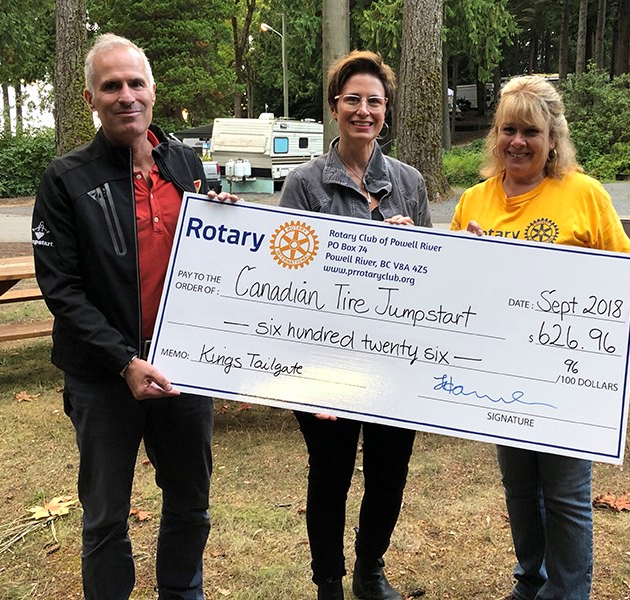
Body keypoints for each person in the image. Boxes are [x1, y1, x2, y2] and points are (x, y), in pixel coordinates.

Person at [32, 33, 237, 599]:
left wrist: (231, 228)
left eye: (135, 83)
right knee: (105, 518)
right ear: (91, 99)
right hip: (103, 377)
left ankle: (181, 593)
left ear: (153, 91)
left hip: (182, 369)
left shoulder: (185, 163)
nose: (126, 95)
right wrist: (123, 361)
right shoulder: (66, 179)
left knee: (191, 503)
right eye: (111, 86)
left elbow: (215, 262)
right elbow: (62, 288)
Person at [450, 75, 630, 600]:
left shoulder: (583, 194)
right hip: (497, 375)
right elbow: (447, 289)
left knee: (565, 493)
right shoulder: (473, 201)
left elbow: (627, 265)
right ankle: (531, 580)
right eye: (508, 130)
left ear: (553, 139)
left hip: (566, 379)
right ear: (495, 136)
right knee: (520, 489)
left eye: (530, 132)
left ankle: (567, 592)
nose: (517, 142)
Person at [279, 50, 432, 600]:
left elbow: (429, 275)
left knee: (389, 472)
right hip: (326, 360)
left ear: (386, 110)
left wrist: (409, 247)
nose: (362, 110)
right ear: (335, 108)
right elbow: (286, 270)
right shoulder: (303, 184)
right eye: (352, 100)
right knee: (330, 474)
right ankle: (328, 583)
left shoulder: (409, 182)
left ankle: (371, 568)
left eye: (374, 101)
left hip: (392, 360)